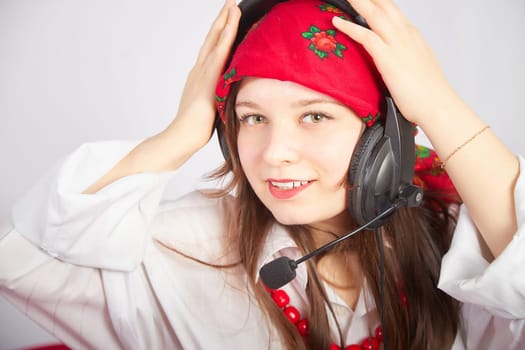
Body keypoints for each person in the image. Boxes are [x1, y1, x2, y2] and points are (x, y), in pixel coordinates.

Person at [0, 0, 523, 349]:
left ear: (382, 139)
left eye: (314, 115)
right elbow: (22, 260)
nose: (275, 153)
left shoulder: (456, 240)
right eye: (252, 118)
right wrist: (180, 135)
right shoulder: (189, 247)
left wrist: (439, 106)